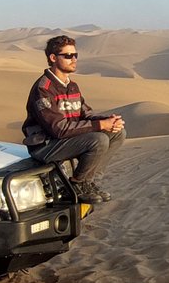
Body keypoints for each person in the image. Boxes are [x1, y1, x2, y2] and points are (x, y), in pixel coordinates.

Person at [22, 35, 126, 204]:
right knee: (98, 139)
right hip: (46, 145)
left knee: (117, 133)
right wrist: (100, 125)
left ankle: (89, 181)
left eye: (75, 55)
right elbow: (59, 129)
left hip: (65, 140)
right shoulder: (44, 89)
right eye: (68, 56)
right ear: (53, 58)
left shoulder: (72, 86)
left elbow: (85, 114)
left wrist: (109, 121)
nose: (74, 60)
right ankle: (78, 184)